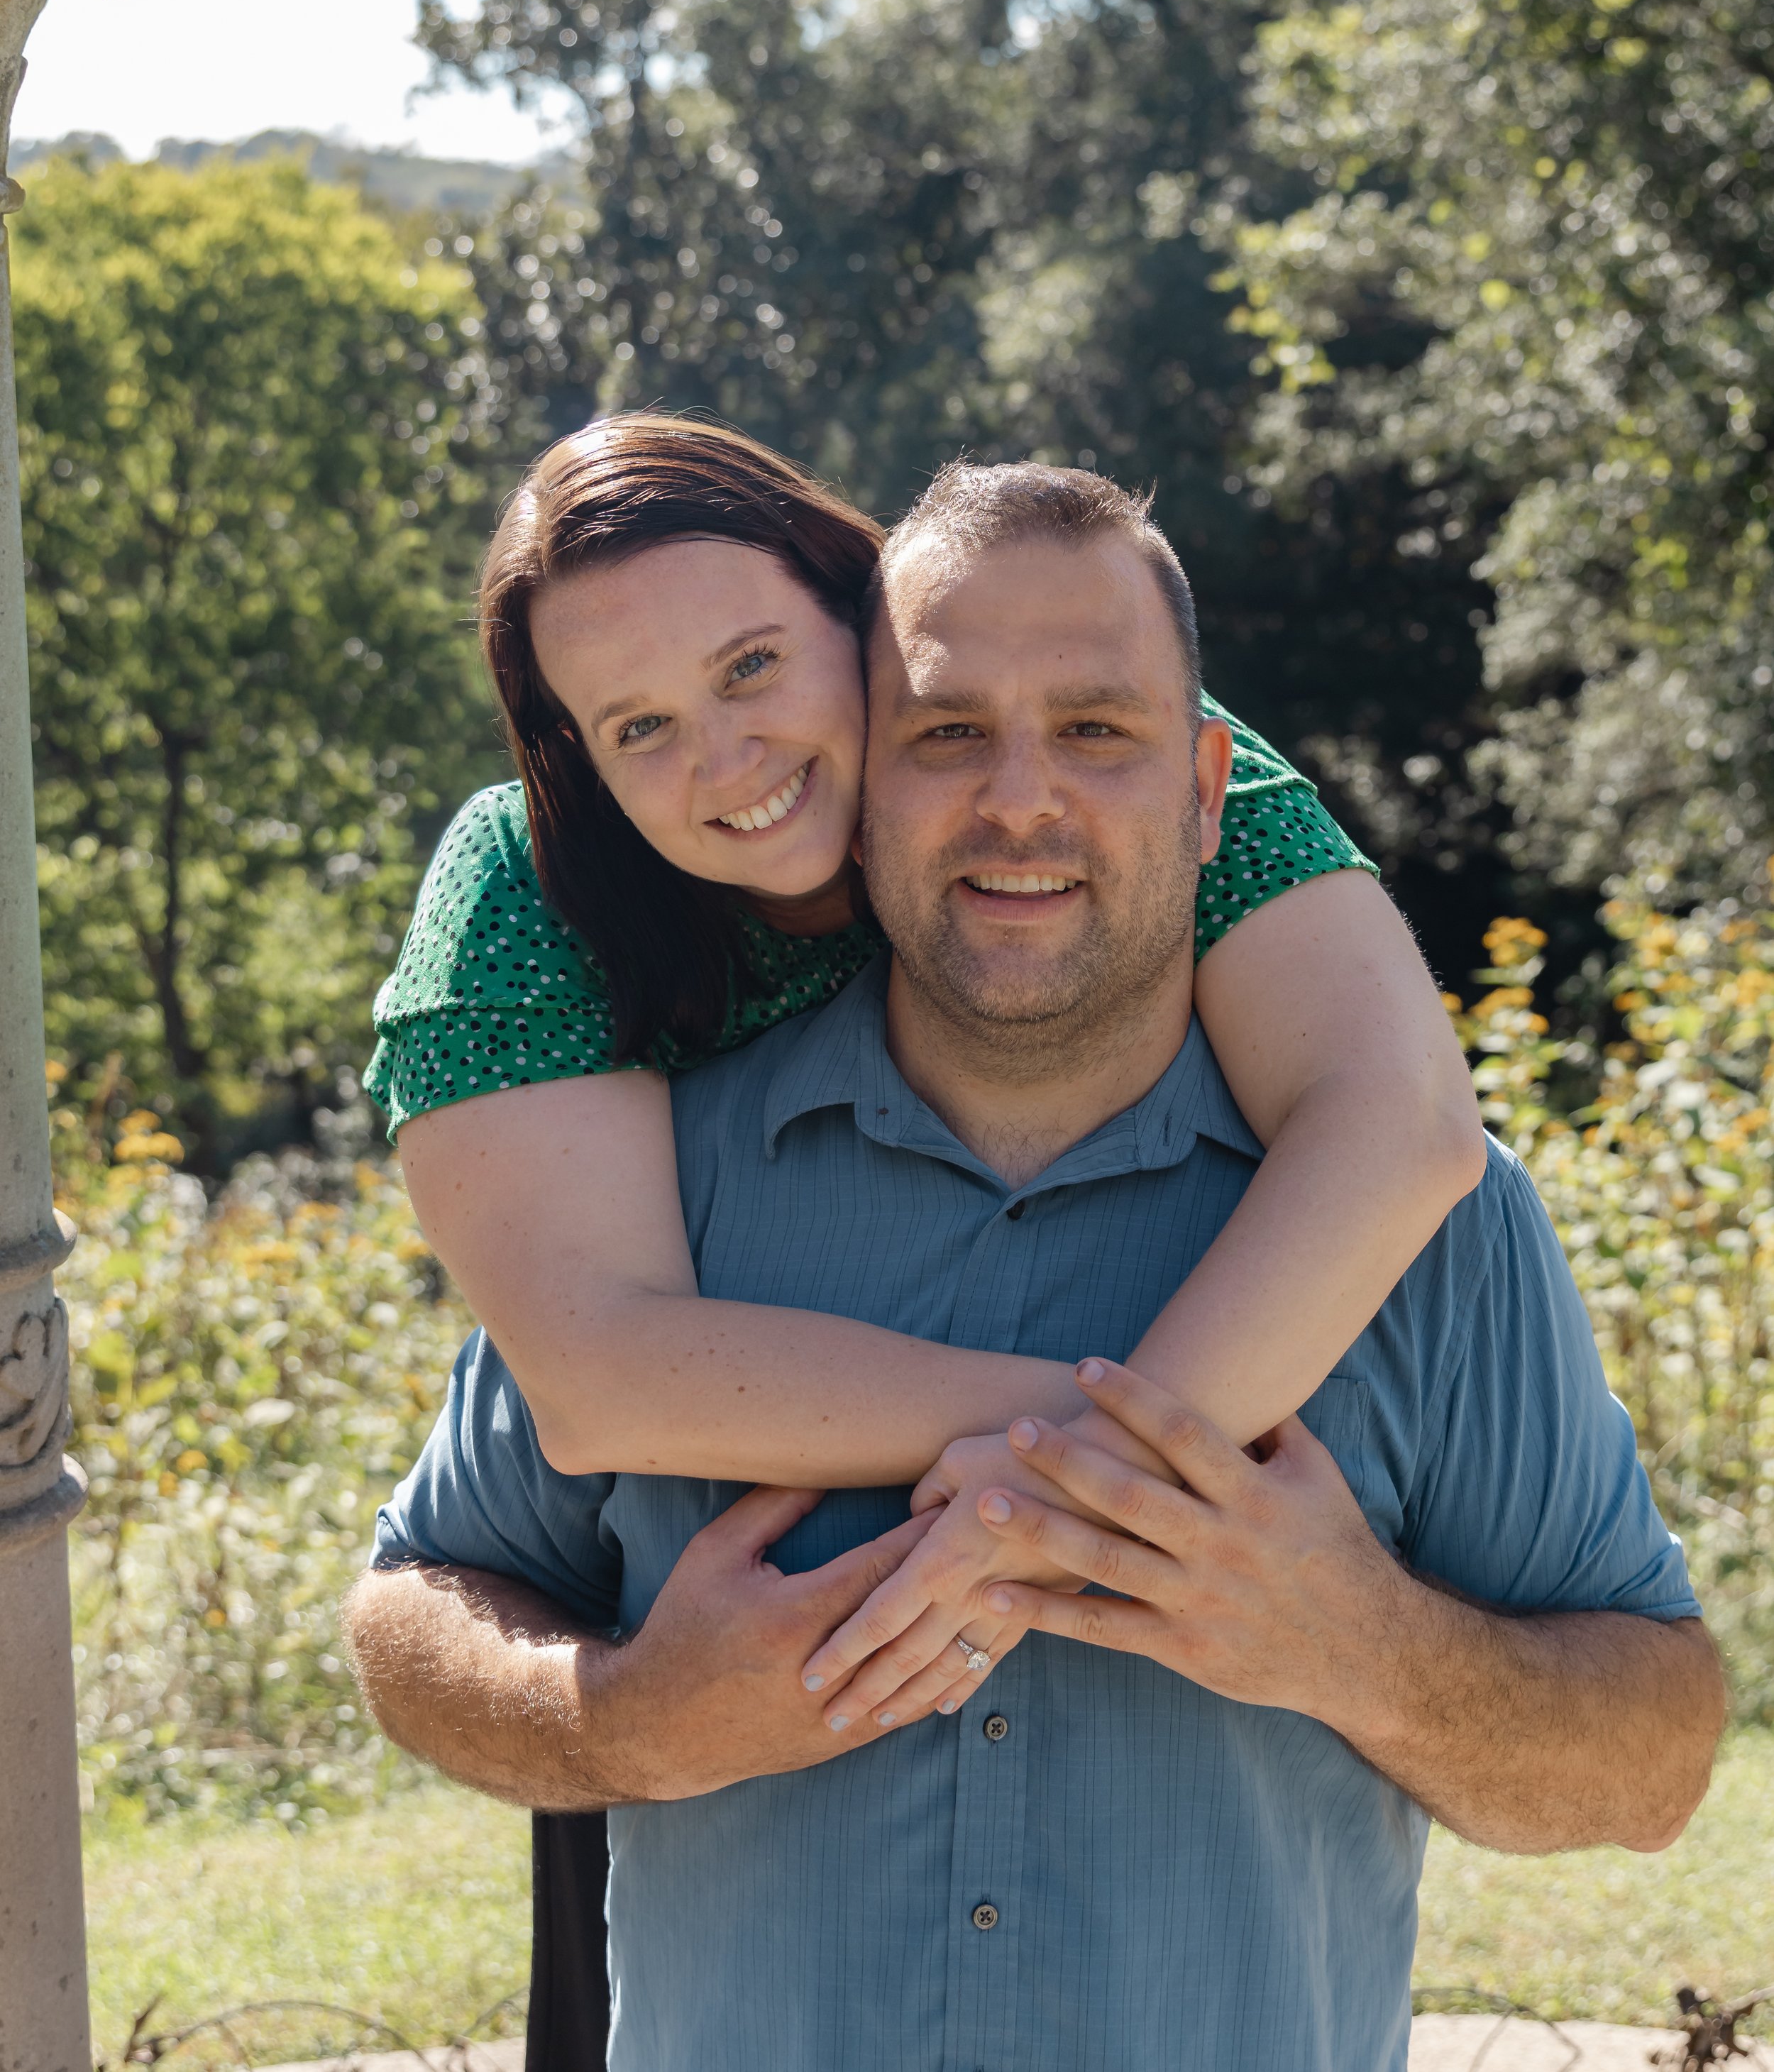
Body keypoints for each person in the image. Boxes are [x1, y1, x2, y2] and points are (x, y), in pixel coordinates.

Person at [347, 461, 1724, 2072]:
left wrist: (1359, 1643)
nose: (1018, 800)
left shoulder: (1422, 1233)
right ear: (872, 770)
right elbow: (411, 1615)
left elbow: (1655, 1763)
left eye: (1095, 732)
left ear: (1212, 787)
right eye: (945, 735)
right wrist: (629, 1720)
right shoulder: (643, 1191)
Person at [369, 414, 1485, 1718]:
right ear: (578, 755)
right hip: (688, 1632)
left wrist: (1040, 1503)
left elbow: (1404, 1120)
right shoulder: (523, 888)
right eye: (638, 727)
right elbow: (597, 1380)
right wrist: (1125, 1445)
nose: (726, 760)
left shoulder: (1091, 746)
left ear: (859, 609)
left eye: (751, 665)